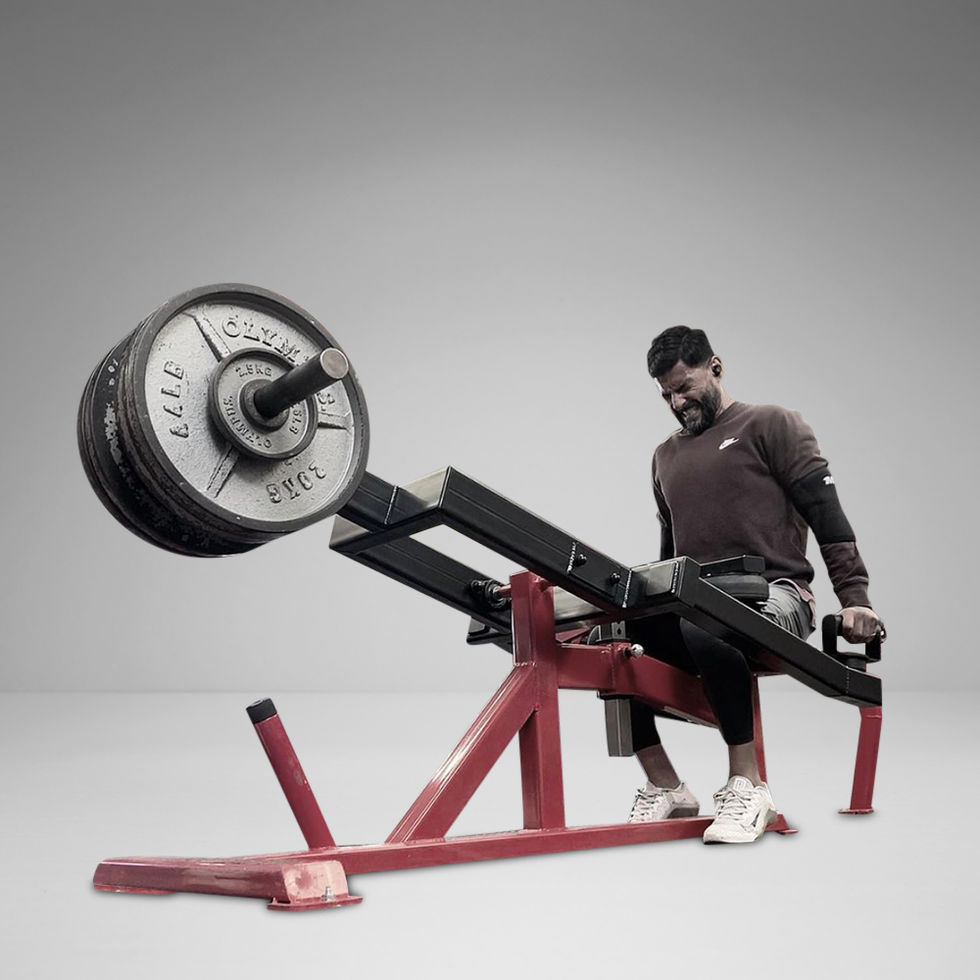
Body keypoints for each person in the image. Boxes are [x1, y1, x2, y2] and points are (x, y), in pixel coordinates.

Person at [627, 326, 884, 844]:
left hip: (777, 593)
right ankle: (666, 785)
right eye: (666, 395)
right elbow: (670, 556)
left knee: (708, 619)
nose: (676, 403)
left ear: (715, 367)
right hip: (700, 599)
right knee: (617, 640)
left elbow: (827, 516)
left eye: (684, 387)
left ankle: (749, 786)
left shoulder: (772, 424)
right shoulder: (663, 458)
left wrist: (855, 599)